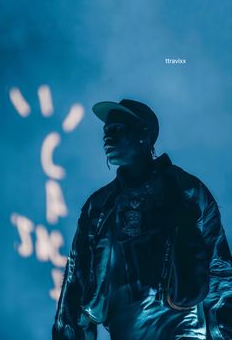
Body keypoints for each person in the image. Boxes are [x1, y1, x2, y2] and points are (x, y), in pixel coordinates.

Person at [52, 99, 232, 340]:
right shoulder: (100, 207)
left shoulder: (188, 193)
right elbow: (76, 281)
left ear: (143, 134)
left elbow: (219, 270)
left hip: (183, 330)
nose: (107, 137)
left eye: (117, 129)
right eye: (106, 131)